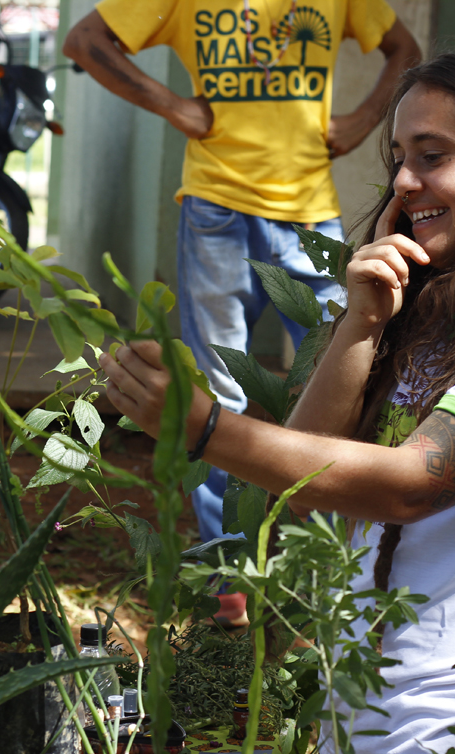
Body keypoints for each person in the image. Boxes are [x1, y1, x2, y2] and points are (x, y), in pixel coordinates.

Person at [100, 42, 455, 754]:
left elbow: (413, 483)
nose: (404, 183)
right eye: (400, 159)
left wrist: (206, 429)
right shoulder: (438, 317)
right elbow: (306, 486)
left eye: (432, 156)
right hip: (362, 747)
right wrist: (362, 323)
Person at [64, 0, 421, 554]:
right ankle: (229, 567)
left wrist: (359, 121)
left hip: (308, 212)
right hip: (217, 208)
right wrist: (176, 108)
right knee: (218, 391)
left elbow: (405, 49)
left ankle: (339, 559)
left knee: (351, 372)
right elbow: (85, 40)